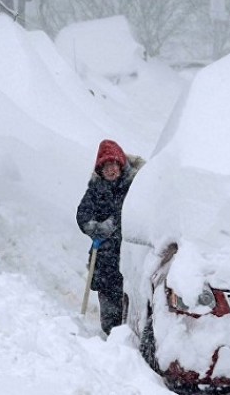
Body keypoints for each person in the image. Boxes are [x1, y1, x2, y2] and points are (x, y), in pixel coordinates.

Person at [77, 139, 144, 335]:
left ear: (121, 164)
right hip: (105, 257)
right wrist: (95, 228)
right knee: (109, 303)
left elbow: (138, 213)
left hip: (131, 253)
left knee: (132, 302)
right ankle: (110, 341)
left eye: (113, 164)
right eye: (105, 167)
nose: (111, 170)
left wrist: (114, 223)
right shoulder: (96, 188)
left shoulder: (134, 186)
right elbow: (82, 215)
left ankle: (131, 341)